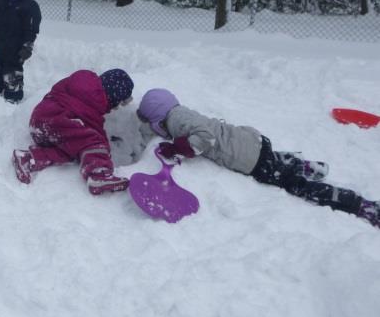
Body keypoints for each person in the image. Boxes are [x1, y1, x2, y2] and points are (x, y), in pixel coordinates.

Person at [137, 88, 380, 229]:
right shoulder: (181, 112)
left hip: (249, 160)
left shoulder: (175, 121)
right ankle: (302, 164)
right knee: (274, 161)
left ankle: (358, 204)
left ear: (157, 118)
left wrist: (178, 148)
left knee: (296, 185)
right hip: (252, 141)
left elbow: (205, 138)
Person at [12, 69, 134, 195]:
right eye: (118, 104)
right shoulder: (96, 100)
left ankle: (28, 158)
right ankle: (99, 173)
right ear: (112, 96)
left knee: (75, 149)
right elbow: (95, 132)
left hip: (41, 122)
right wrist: (103, 150)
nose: (116, 108)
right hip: (55, 119)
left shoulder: (82, 84)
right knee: (92, 141)